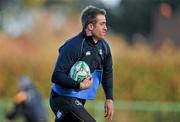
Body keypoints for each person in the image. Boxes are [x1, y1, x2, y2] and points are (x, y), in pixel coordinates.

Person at [50, 5, 114, 122]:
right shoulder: (73, 46)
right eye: (102, 24)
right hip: (62, 98)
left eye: (105, 24)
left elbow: (107, 73)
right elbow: (56, 76)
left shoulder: (104, 47)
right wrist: (80, 85)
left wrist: (109, 98)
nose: (105, 27)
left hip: (78, 100)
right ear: (90, 26)